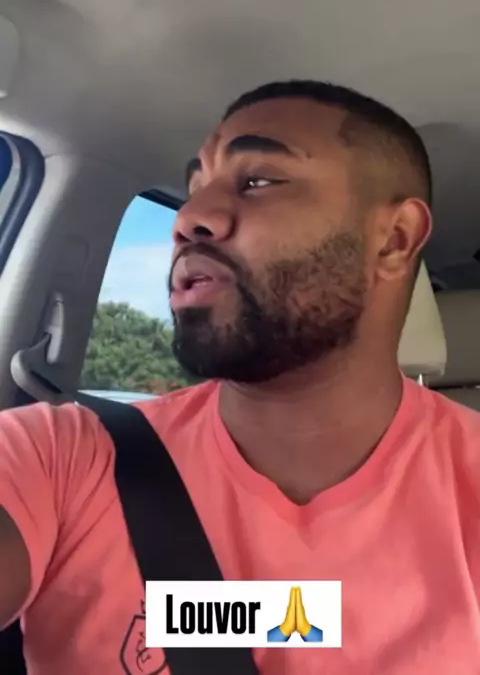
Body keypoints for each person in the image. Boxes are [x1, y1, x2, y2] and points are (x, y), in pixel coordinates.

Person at [1, 79, 480, 675]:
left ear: (394, 239)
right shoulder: (60, 457)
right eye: (194, 188)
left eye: (258, 181)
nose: (189, 219)